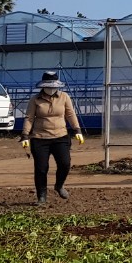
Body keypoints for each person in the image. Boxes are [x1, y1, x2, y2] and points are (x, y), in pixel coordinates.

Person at [21, 71, 84, 204]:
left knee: (65, 164)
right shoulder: (35, 99)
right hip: (39, 138)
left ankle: (59, 185)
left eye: (53, 86)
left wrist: (77, 130)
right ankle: (41, 196)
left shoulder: (64, 97)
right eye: (48, 86)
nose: (51, 89)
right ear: (42, 86)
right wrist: (25, 135)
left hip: (60, 136)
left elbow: (70, 114)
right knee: (41, 168)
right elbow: (29, 118)